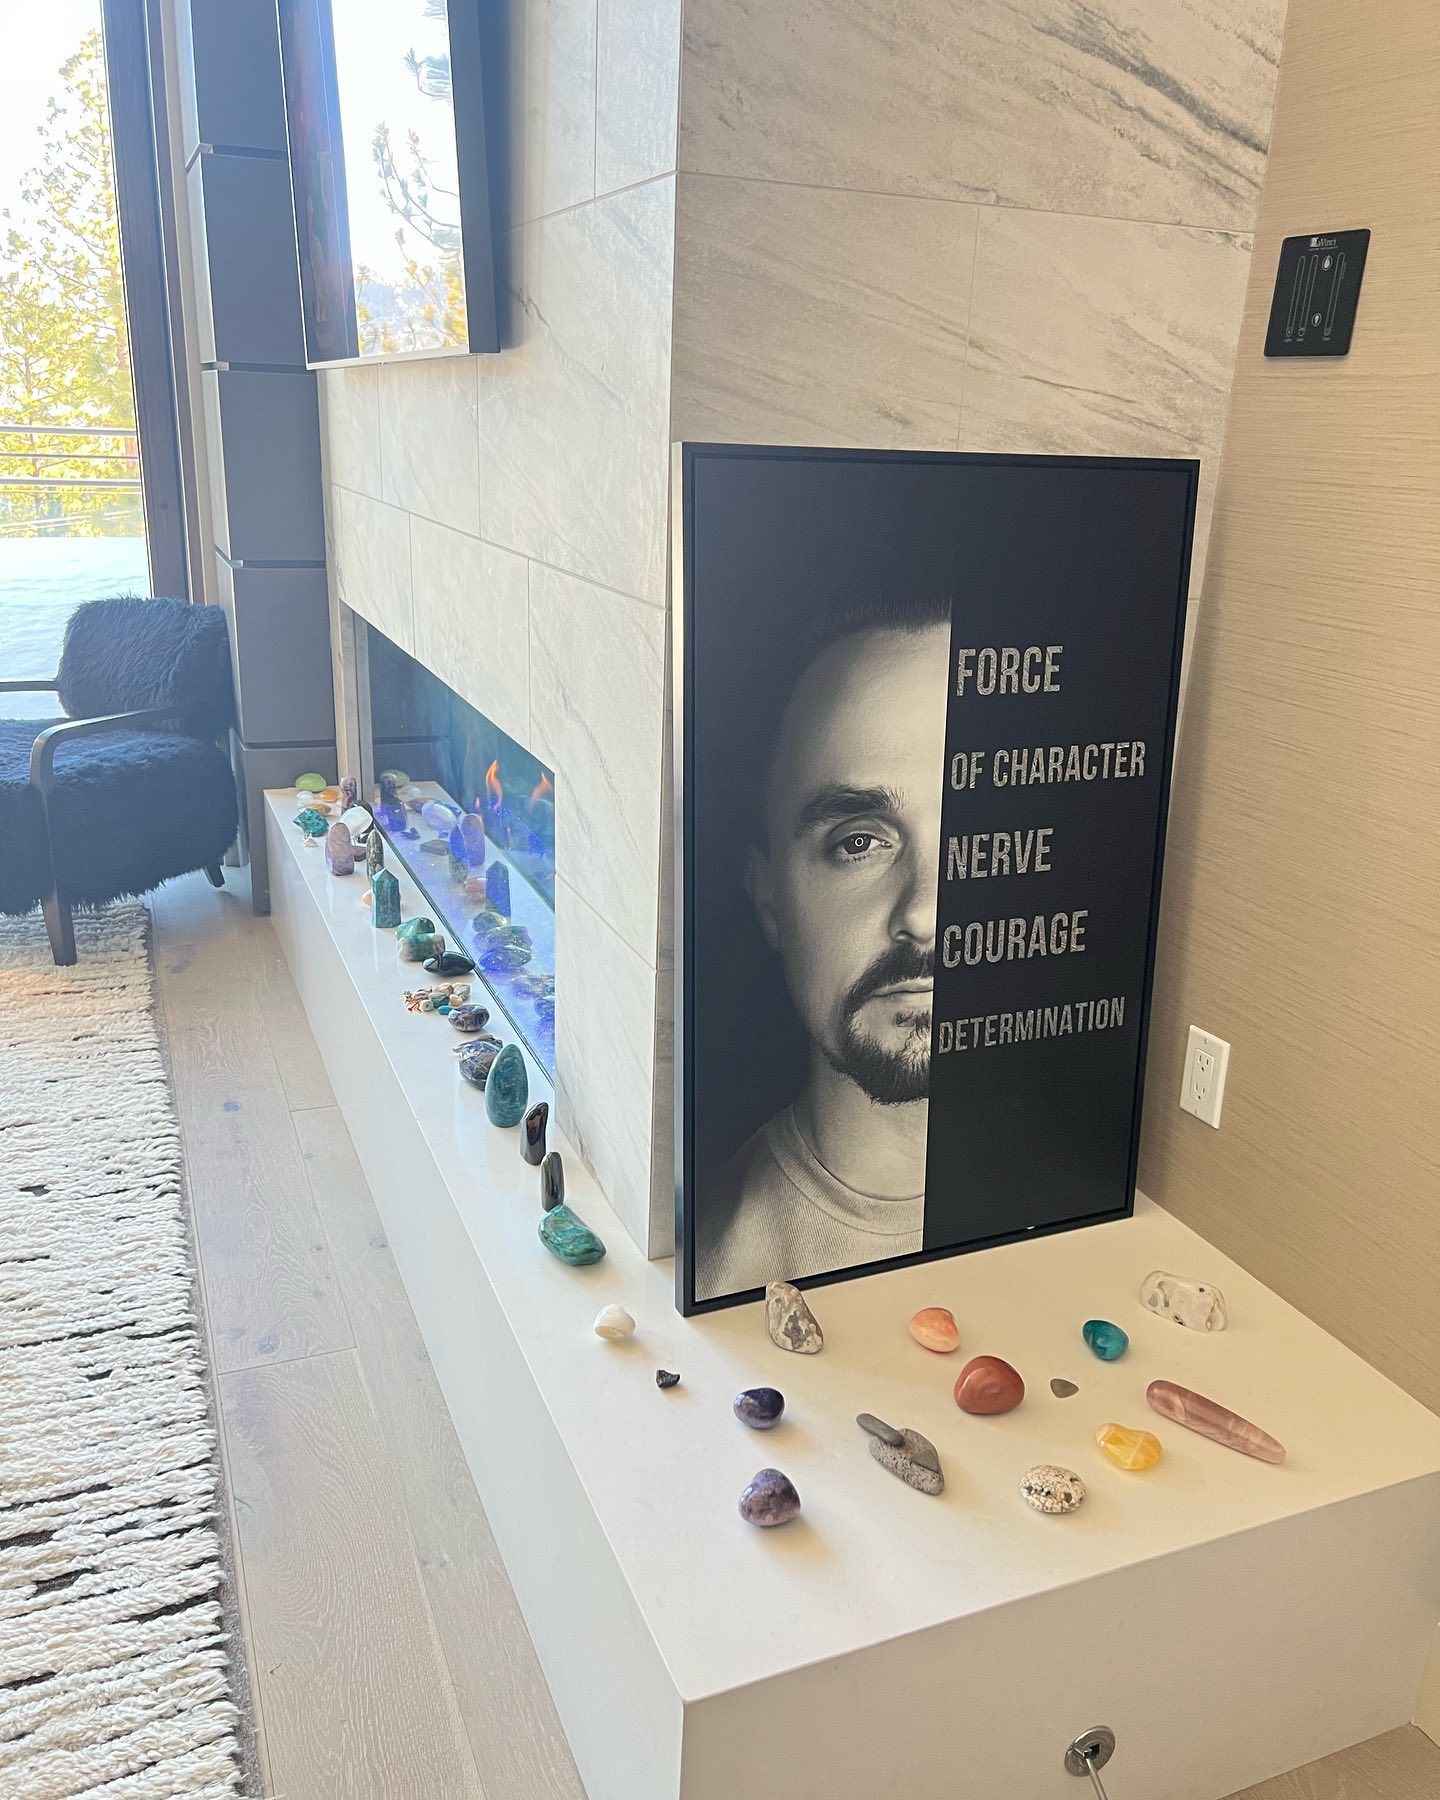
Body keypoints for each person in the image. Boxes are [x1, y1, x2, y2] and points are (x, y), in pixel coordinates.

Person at [696, 594, 951, 1299]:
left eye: (978, 832)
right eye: (859, 842)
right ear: (769, 898)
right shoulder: (716, 1271)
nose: (927, 913)